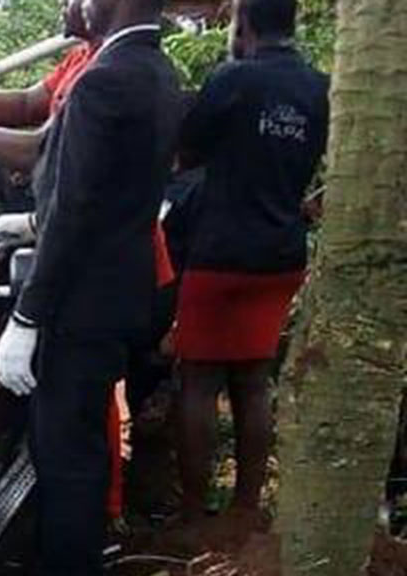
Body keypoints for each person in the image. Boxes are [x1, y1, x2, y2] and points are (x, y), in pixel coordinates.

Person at [0, 0, 180, 576]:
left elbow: (73, 209)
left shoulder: (106, 80)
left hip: (84, 300)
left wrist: (29, 315)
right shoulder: (151, 69)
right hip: (114, 290)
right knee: (74, 446)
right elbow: (69, 171)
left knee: (66, 452)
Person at [174, 0, 328, 521]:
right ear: (294, 22)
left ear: (246, 23)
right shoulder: (319, 87)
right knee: (253, 380)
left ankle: (195, 512)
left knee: (198, 379)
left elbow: (186, 151)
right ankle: (244, 511)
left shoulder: (232, 79)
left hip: (220, 251)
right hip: (281, 254)